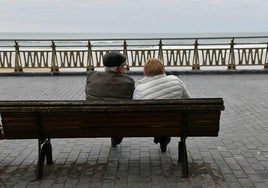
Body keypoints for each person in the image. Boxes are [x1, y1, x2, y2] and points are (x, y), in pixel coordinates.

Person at [133, 58, 190, 152]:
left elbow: (136, 111)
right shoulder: (176, 80)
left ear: (145, 71)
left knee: (156, 118)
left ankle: (161, 136)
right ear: (162, 69)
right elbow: (188, 100)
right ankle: (164, 138)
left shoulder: (139, 89)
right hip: (176, 123)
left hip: (149, 125)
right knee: (166, 117)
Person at [85, 51, 135, 147]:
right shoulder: (128, 81)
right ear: (119, 67)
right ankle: (116, 136)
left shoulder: (91, 76)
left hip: (93, 120)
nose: (124, 67)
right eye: (124, 65)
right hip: (119, 121)